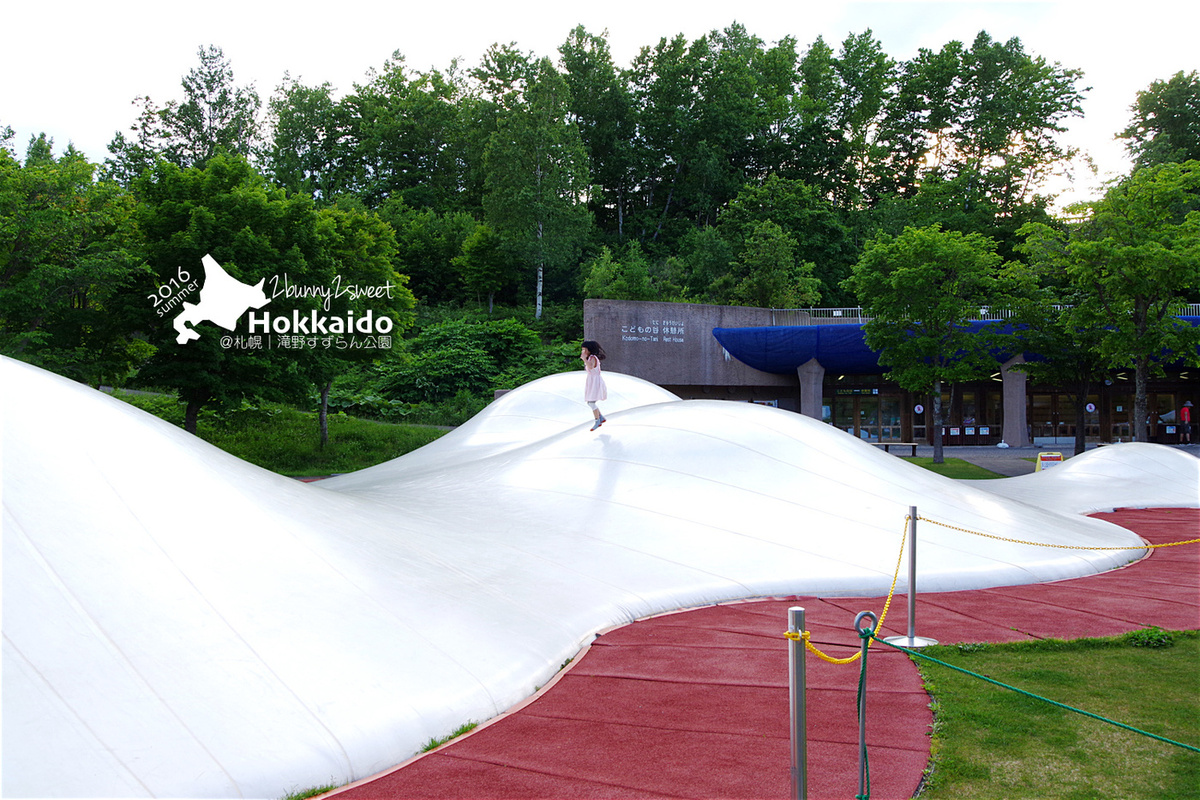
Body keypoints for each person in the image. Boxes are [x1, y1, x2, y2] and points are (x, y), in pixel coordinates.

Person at [581, 340, 608, 431]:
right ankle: (600, 417)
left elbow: (591, 366)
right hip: (592, 381)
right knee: (590, 402)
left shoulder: (592, 358)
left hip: (595, 382)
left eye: (585, 349)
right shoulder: (591, 358)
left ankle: (597, 420)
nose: (583, 351)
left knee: (591, 402)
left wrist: (584, 359)